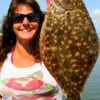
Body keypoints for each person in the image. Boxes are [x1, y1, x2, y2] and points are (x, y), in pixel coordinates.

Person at [0, 0, 66, 99]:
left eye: (32, 17)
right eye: (18, 18)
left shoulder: (55, 53)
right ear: (11, 24)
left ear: (40, 21)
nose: (25, 22)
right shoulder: (2, 56)